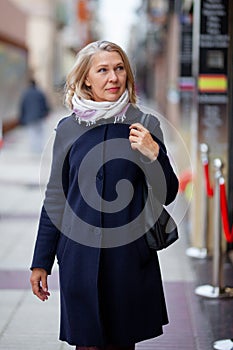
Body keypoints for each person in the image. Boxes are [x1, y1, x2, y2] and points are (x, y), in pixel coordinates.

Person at [30, 40, 179, 350]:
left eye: (119, 68)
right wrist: (40, 262)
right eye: (103, 70)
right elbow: (56, 197)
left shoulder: (144, 124)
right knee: (86, 344)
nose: (114, 78)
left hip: (127, 259)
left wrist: (155, 156)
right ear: (86, 77)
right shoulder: (68, 128)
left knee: (122, 344)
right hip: (79, 260)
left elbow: (169, 193)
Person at [19, 78, 50, 153]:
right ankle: (39, 148)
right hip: (39, 116)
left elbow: (22, 106)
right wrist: (46, 113)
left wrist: (22, 117)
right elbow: (45, 104)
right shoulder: (40, 92)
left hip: (29, 117)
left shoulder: (25, 94)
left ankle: (34, 149)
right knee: (40, 133)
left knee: (32, 133)